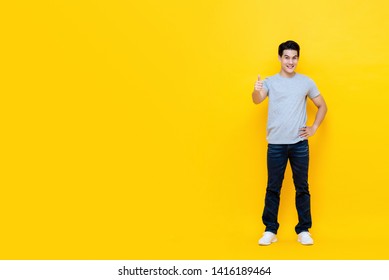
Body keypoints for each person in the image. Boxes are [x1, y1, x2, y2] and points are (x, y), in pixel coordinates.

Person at [252, 40, 327, 245]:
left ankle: (303, 230)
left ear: (298, 59)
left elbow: (322, 106)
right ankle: (270, 230)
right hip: (276, 145)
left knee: (302, 186)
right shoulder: (269, 82)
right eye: (287, 57)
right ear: (280, 58)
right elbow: (257, 100)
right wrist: (257, 90)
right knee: (273, 187)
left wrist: (313, 128)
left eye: (294, 57)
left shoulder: (306, 82)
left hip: (299, 145)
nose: (290, 61)